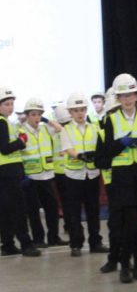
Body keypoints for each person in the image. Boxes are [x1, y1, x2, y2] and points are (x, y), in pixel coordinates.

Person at [104, 73, 137, 283]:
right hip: (122, 178)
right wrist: (122, 143)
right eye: (122, 95)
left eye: (130, 94)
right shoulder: (111, 120)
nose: (127, 99)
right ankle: (124, 266)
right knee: (126, 225)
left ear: (136, 95)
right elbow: (107, 151)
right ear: (118, 98)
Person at [60, 93, 109, 257]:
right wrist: (80, 156)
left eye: (82, 110)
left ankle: (95, 242)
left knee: (93, 210)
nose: (80, 113)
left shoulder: (94, 127)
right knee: (73, 212)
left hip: (92, 174)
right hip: (74, 176)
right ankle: (76, 244)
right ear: (70, 113)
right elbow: (68, 149)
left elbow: (100, 146)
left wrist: (96, 155)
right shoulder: (66, 129)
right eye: (76, 110)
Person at [19, 97, 67, 248]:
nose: (36, 117)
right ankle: (38, 239)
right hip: (31, 177)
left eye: (39, 114)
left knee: (52, 208)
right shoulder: (20, 131)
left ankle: (53, 237)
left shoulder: (46, 128)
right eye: (33, 114)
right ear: (27, 115)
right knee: (33, 211)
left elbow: (60, 128)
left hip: (47, 175)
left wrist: (46, 120)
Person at [0, 87, 41, 257]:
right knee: (18, 209)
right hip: (7, 172)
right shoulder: (2, 123)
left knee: (5, 210)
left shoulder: (6, 122)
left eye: (12, 104)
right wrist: (21, 142)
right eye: (7, 104)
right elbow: (5, 148)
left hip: (6, 172)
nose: (10, 107)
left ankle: (8, 244)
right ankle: (26, 243)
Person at [97, 93, 123, 273]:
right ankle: (113, 259)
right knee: (114, 224)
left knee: (133, 223)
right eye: (112, 112)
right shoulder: (102, 133)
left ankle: (133, 261)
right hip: (113, 184)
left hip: (131, 182)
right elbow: (101, 161)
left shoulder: (135, 129)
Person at [52, 105, 72, 235]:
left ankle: (69, 224)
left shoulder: (53, 134)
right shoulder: (69, 132)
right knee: (70, 201)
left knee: (66, 201)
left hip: (62, 172)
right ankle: (70, 225)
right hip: (67, 171)